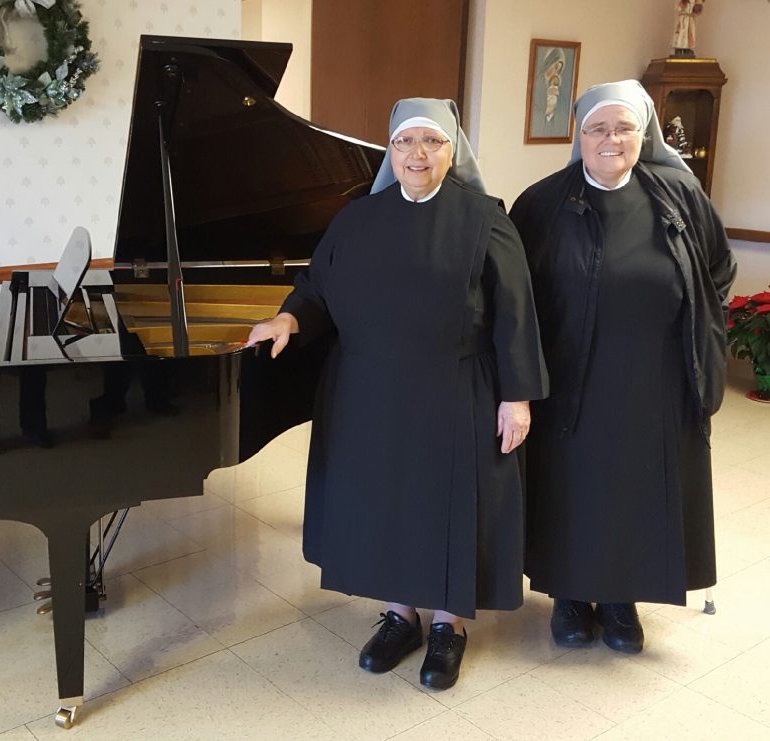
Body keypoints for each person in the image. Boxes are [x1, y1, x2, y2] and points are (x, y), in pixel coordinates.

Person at [246, 98, 548, 689]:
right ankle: (399, 616)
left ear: (451, 151)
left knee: (447, 502)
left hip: (456, 389)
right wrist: (288, 319)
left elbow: (517, 311)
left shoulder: (485, 218)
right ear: (391, 149)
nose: (418, 154)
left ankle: (448, 626)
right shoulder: (359, 218)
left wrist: (517, 396)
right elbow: (317, 286)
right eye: (406, 142)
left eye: (432, 143)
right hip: (371, 393)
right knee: (387, 501)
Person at [509, 80, 736, 654]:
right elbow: (513, 293)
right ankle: (568, 594)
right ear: (578, 136)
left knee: (635, 487)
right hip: (567, 375)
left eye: (624, 128)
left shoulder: (679, 194)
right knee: (572, 486)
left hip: (654, 376)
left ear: (645, 133)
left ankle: (620, 600)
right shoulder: (541, 203)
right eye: (598, 129)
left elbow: (718, 271)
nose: (612, 140)